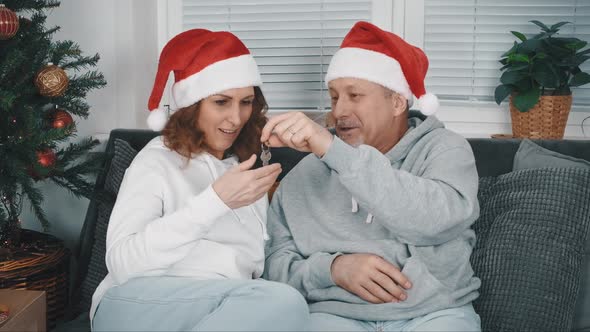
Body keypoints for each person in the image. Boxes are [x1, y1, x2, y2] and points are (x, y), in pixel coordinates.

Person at [261, 21, 481, 331]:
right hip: (332, 316)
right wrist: (332, 269)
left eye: (355, 95)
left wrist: (334, 151)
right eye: (335, 97)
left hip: (434, 314)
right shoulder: (309, 169)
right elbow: (273, 264)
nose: (338, 112)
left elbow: (437, 220)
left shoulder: (444, 150)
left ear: (397, 102)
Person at [91, 29, 310, 331]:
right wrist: (214, 202)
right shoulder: (156, 160)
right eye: (221, 102)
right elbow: (123, 264)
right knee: (284, 303)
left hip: (222, 305)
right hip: (135, 301)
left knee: (287, 306)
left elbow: (258, 269)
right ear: (192, 108)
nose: (236, 118)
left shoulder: (246, 169)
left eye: (246, 102)